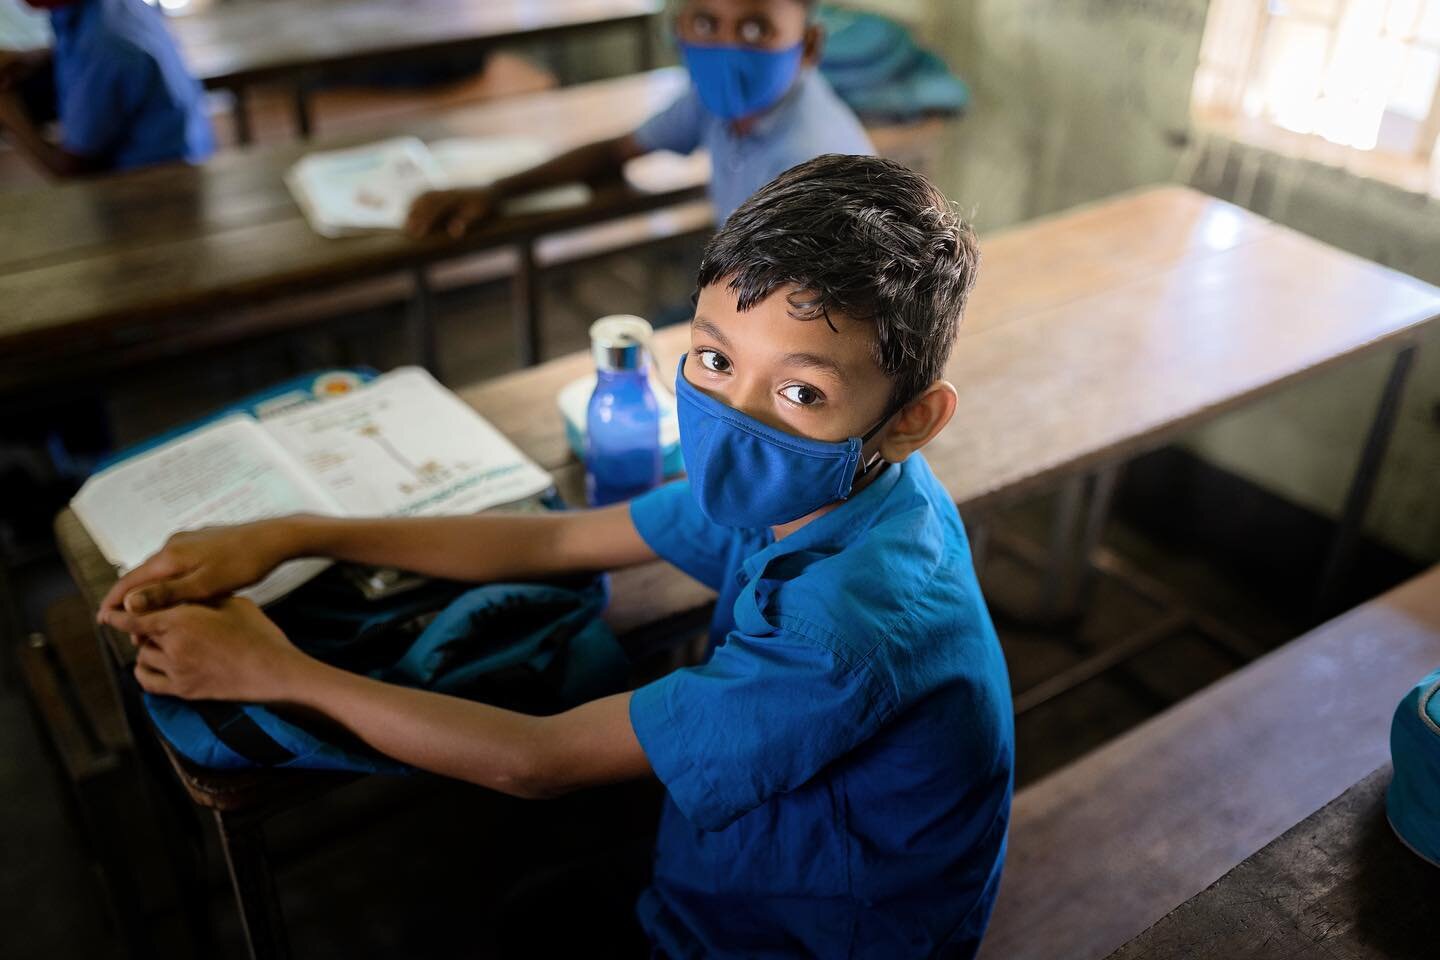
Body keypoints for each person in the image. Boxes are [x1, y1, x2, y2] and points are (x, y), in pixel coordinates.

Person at [100, 154, 1013, 958]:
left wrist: (279, 670)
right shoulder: (807, 477)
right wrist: (297, 532)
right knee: (537, 905)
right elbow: (558, 537)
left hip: (808, 934)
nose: (735, 417)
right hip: (753, 873)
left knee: (515, 910)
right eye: (712, 359)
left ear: (910, 421)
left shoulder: (844, 627)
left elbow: (534, 762)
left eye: (802, 389)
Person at [404, 0, 873, 238]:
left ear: (808, 46)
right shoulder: (718, 101)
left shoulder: (812, 163)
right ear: (679, 29)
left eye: (755, 29)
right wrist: (495, 191)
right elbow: (616, 151)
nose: (727, 49)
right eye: (706, 25)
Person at [0, 0, 212, 177]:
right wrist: (40, 57)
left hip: (156, 186)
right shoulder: (106, 10)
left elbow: (72, 171)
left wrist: (10, 115)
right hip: (191, 150)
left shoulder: (103, 47)